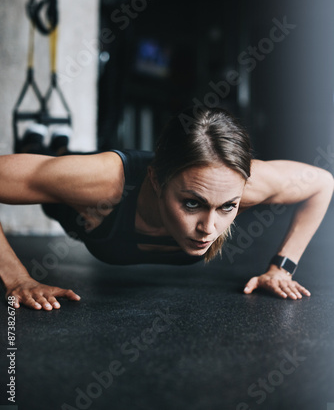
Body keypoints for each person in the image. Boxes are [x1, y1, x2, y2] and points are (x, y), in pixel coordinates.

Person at [0, 107, 333, 311]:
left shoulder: (244, 184)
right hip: (77, 204)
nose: (208, 228)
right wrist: (16, 280)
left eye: (227, 207)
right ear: (156, 182)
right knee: (51, 191)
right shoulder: (102, 183)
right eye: (192, 203)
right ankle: (39, 145)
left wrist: (281, 268)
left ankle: (57, 144)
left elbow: (321, 183)